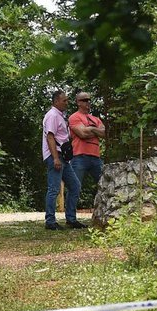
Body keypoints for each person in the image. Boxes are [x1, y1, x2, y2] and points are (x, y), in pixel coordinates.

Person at [42, 89, 85, 230]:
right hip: (56, 156)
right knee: (54, 189)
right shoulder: (52, 115)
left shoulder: (60, 115)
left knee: (75, 186)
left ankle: (71, 219)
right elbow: (50, 137)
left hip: (63, 158)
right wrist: (55, 158)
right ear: (56, 101)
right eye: (64, 100)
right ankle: (50, 221)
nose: (67, 102)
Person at [68, 92, 105, 222]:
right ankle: (71, 219)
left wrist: (90, 129)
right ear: (78, 102)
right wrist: (95, 131)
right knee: (75, 187)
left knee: (104, 185)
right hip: (79, 156)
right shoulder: (74, 117)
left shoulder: (96, 118)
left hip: (96, 157)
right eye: (84, 100)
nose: (88, 102)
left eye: (89, 99)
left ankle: (104, 215)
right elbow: (82, 134)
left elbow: (104, 133)